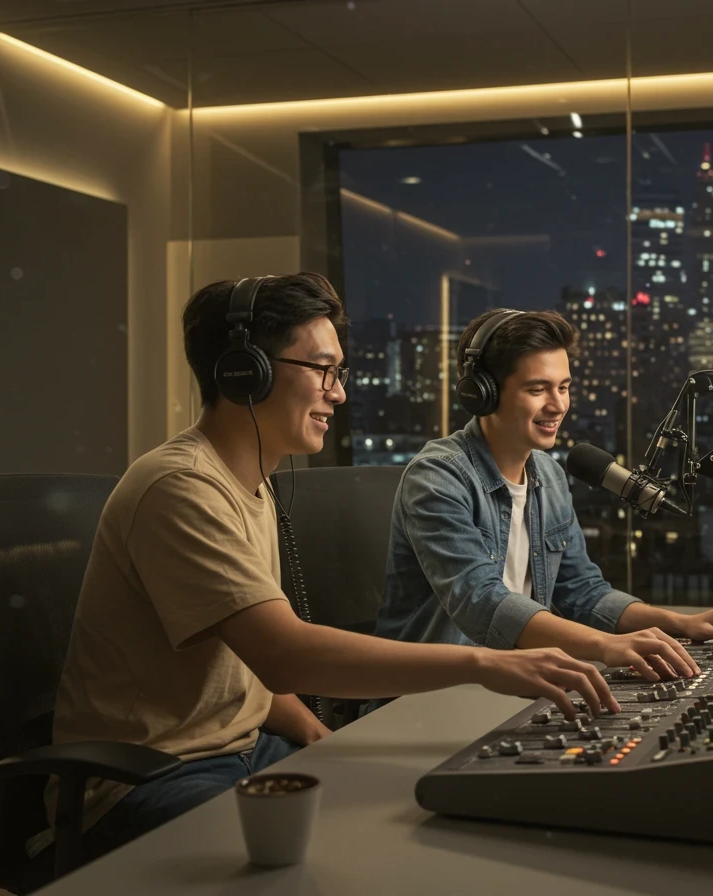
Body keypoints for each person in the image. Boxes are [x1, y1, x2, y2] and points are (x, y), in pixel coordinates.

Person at [38, 277, 616, 877]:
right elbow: (285, 654)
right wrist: (486, 663)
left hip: (244, 749)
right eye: (321, 370)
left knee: (417, 816)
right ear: (246, 372)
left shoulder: (251, 486)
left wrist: (318, 736)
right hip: (148, 777)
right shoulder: (181, 489)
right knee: (348, 864)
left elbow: (247, 667)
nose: (337, 395)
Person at [374, 308, 713, 682]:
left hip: (515, 687)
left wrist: (681, 624)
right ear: (483, 393)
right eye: (537, 389)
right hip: (429, 697)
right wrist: (605, 646)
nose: (558, 405)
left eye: (563, 387)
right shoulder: (437, 477)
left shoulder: (550, 475)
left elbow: (584, 594)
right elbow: (482, 603)